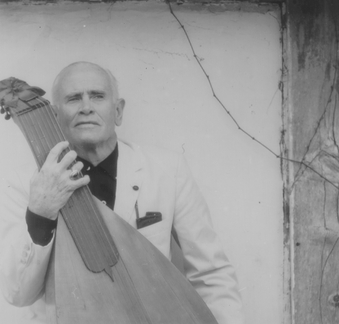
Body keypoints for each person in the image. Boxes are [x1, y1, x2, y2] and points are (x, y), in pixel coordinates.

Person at [0, 62, 244, 324]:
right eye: (73, 98)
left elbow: (212, 274)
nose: (86, 107)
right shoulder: (24, 183)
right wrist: (41, 212)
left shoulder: (166, 171)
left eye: (97, 96)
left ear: (118, 111)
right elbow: (18, 295)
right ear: (55, 116)